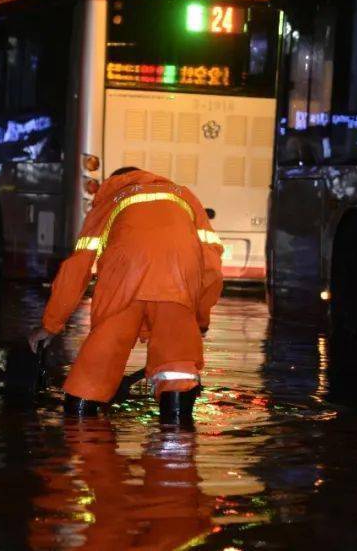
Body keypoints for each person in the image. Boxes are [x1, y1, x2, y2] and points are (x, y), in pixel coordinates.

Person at [28, 167, 224, 423]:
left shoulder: (110, 202)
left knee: (100, 358)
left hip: (123, 282)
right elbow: (211, 267)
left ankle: (79, 429)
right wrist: (199, 319)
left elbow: (77, 268)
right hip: (178, 283)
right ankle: (177, 434)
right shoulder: (185, 196)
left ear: (112, 183)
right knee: (177, 367)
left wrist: (51, 324)